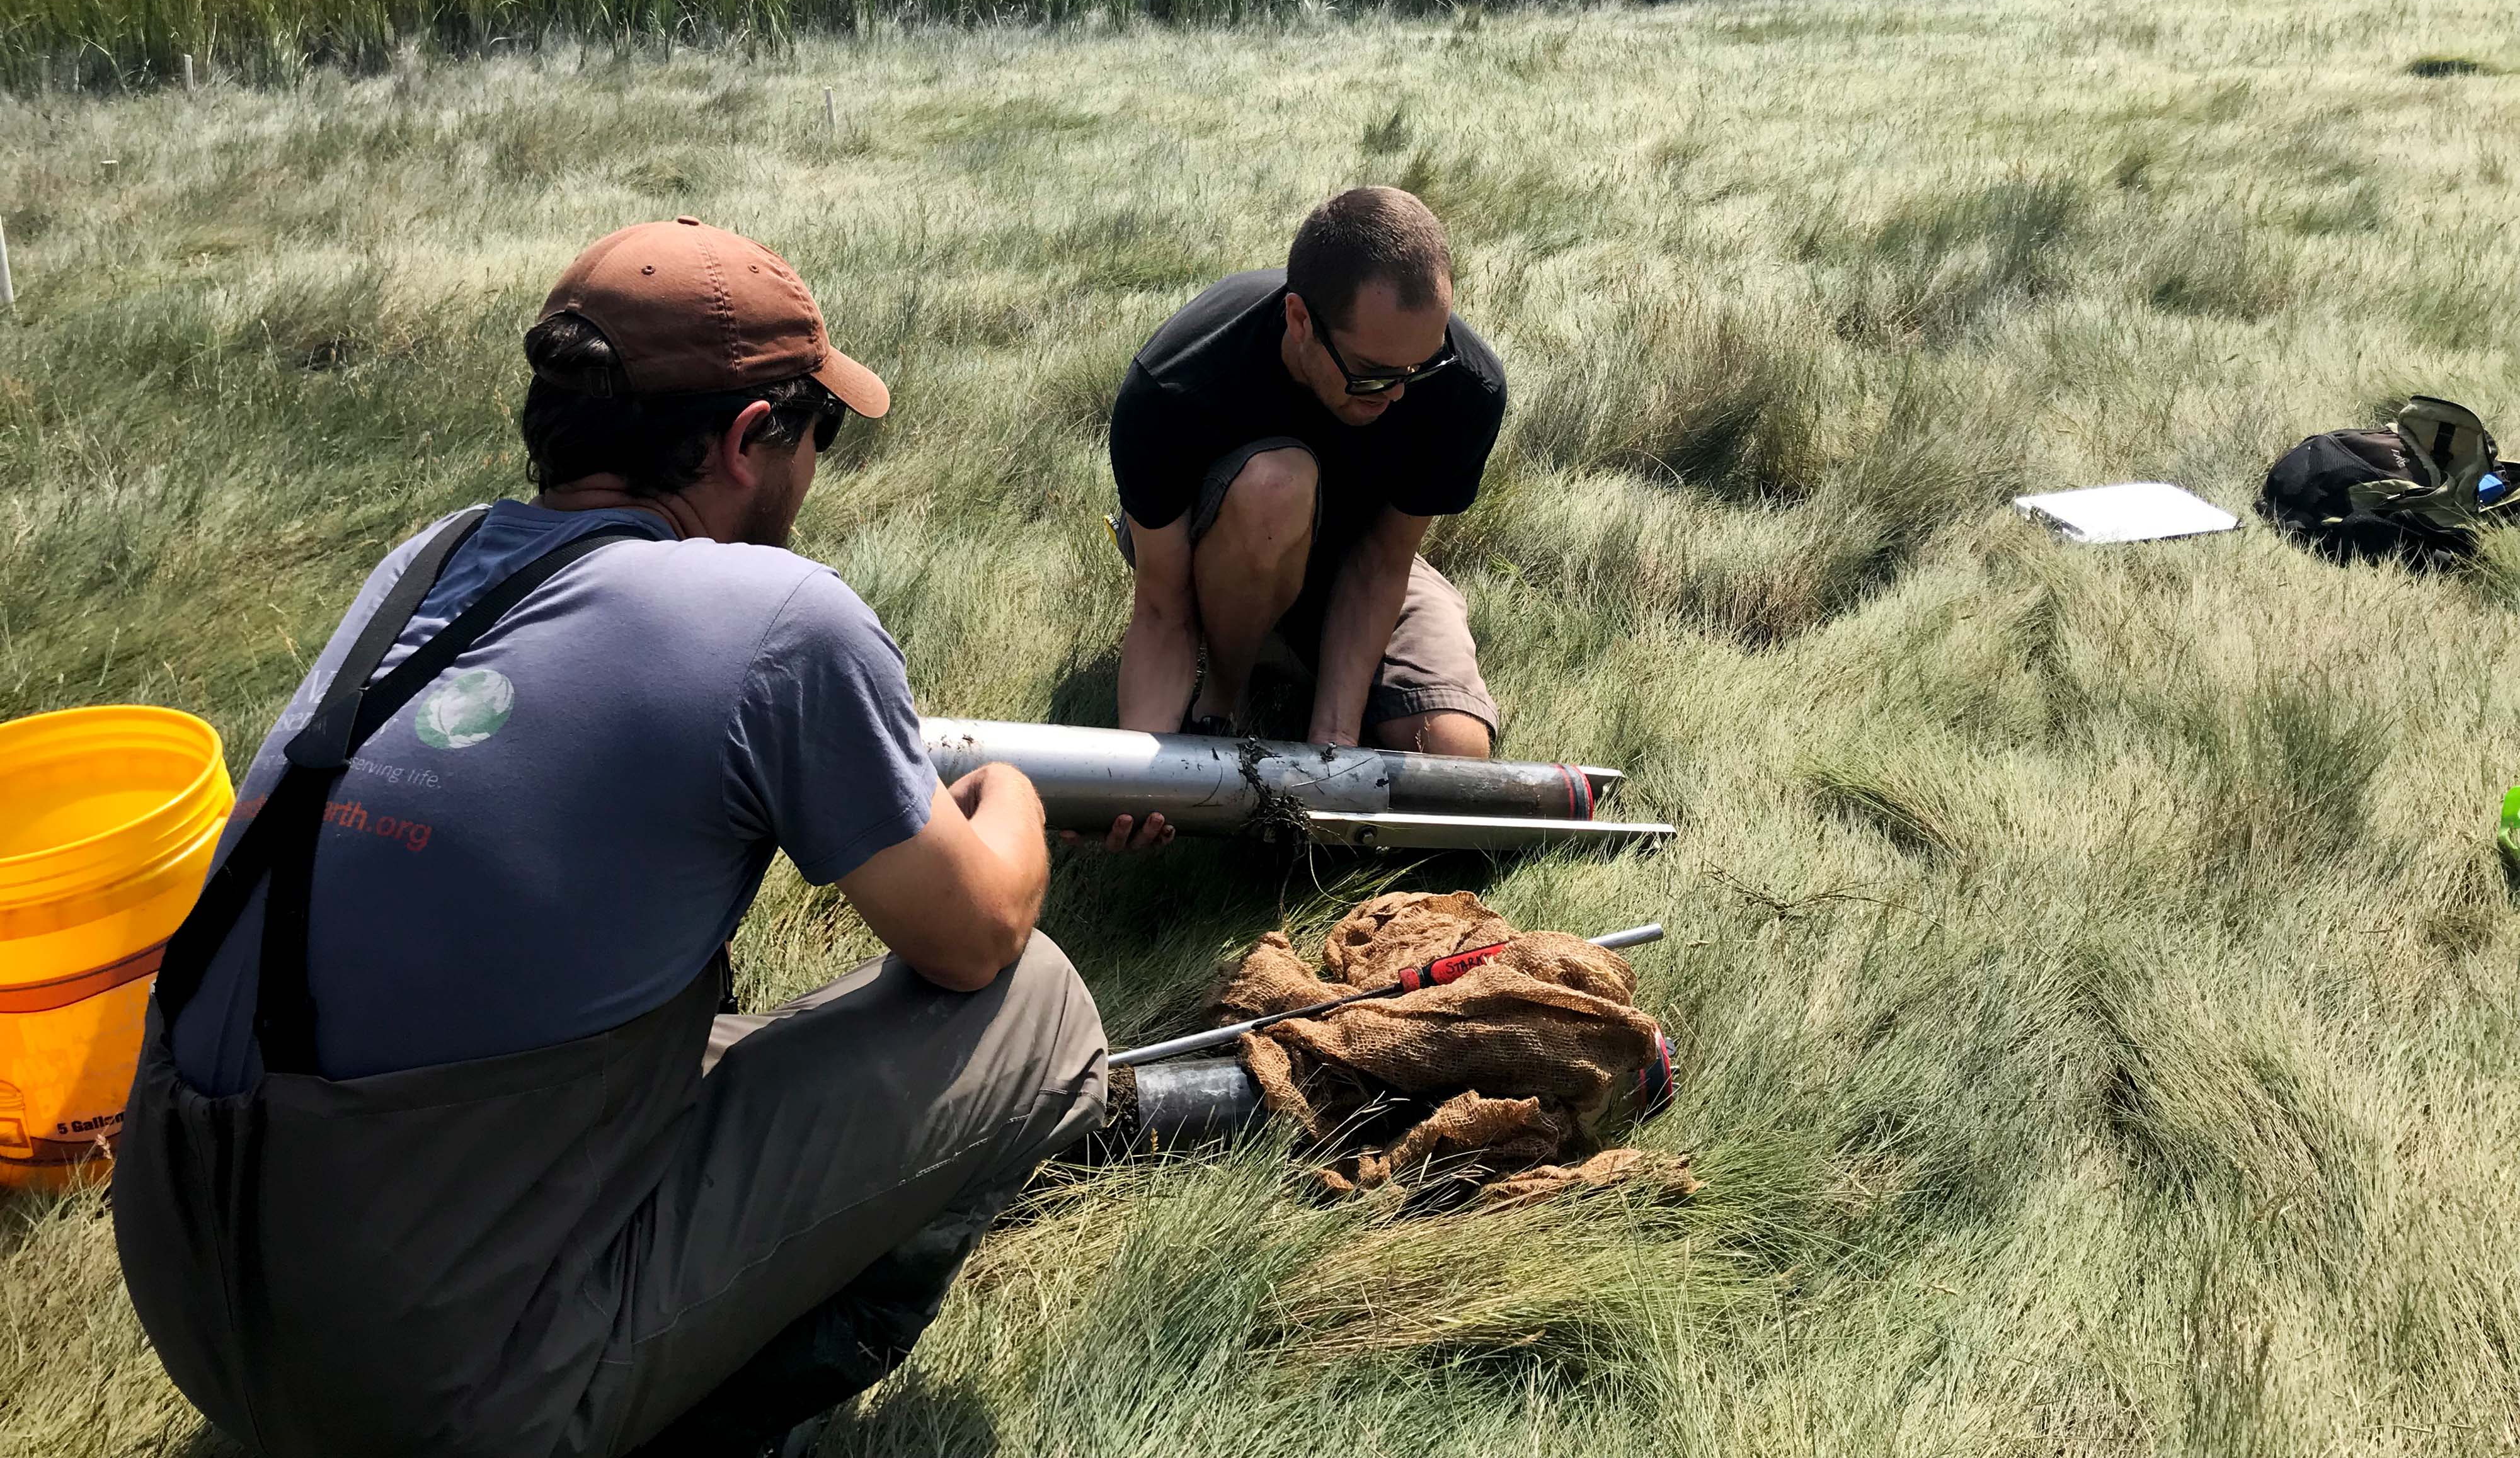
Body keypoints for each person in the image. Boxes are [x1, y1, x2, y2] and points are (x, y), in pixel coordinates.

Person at [114, 217, 1106, 1458]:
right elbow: (976, 938)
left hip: (195, 1293)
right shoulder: (781, 621)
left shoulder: (420, 563)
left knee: (695, 1037)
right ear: (753, 440)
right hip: (426, 1392)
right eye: (820, 435)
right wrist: (1010, 793)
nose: (817, 470)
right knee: (1037, 1013)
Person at [1102, 186, 1508, 850]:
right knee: (1277, 486)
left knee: (1453, 764)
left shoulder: (1464, 386)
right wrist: (1138, 777)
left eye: (1421, 364)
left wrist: (1333, 751)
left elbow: (1383, 562)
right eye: (1375, 374)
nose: (1401, 394)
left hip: (1356, 554)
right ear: (1298, 319)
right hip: (1209, 543)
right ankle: (1223, 703)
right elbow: (1161, 608)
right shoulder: (1175, 383)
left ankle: (1294, 659)